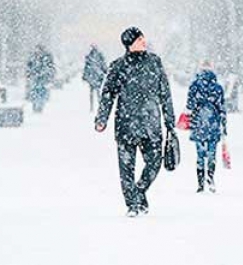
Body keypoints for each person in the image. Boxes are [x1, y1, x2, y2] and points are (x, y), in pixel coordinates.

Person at [95, 27, 176, 217]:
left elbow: (165, 92)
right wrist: (101, 119)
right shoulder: (118, 66)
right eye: (139, 39)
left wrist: (169, 121)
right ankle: (132, 204)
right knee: (126, 169)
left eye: (143, 38)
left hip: (151, 124)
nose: (144, 41)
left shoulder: (154, 63)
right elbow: (107, 94)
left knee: (155, 163)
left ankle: (139, 190)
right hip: (126, 124)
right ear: (130, 43)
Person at [185, 60, 227, 193]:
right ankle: (210, 178)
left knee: (200, 155)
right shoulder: (218, 88)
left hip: (199, 123)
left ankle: (200, 183)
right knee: (211, 154)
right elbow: (222, 108)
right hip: (213, 123)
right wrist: (224, 126)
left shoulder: (194, 86)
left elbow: (189, 106)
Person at [26, 45, 56, 113]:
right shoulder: (33, 57)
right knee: (36, 92)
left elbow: (50, 68)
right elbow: (29, 67)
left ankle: (39, 106)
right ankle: (36, 105)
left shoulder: (45, 57)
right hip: (36, 79)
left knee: (41, 92)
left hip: (42, 79)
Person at [82, 44, 108, 112]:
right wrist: (105, 71)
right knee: (97, 92)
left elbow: (86, 67)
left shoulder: (90, 56)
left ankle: (93, 106)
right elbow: (103, 65)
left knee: (93, 92)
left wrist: (85, 76)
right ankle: (98, 106)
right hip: (97, 76)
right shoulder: (98, 56)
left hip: (93, 77)